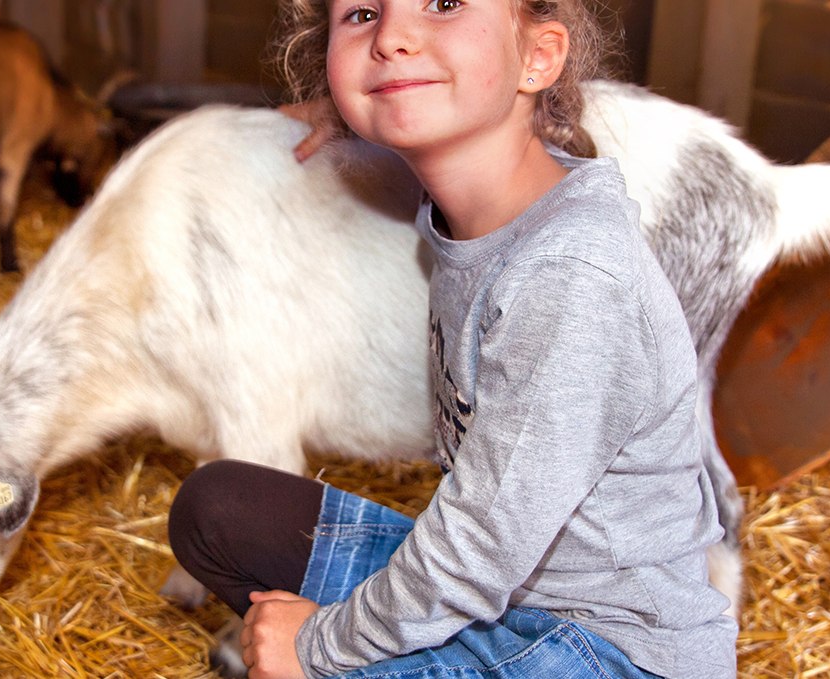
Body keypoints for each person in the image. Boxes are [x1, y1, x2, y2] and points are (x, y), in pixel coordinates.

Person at [168, 1, 739, 677]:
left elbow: (482, 544)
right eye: (360, 14)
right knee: (216, 509)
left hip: (608, 649)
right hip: (501, 598)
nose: (393, 37)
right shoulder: (485, 203)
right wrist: (344, 110)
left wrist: (320, 645)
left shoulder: (572, 273)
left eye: (443, 3)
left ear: (538, 57)